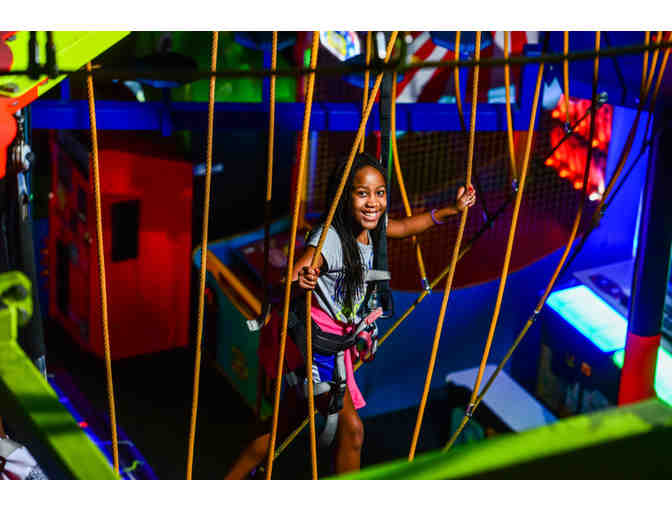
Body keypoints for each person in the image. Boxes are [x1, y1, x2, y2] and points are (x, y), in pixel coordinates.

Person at [224, 152, 476, 479]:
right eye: (362, 193)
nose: (373, 202)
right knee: (352, 430)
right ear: (345, 197)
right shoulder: (329, 238)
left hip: (336, 345)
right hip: (314, 347)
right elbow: (292, 277)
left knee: (282, 427)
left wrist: (451, 210)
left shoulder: (371, 228)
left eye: (379, 193)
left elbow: (404, 227)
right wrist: (302, 281)